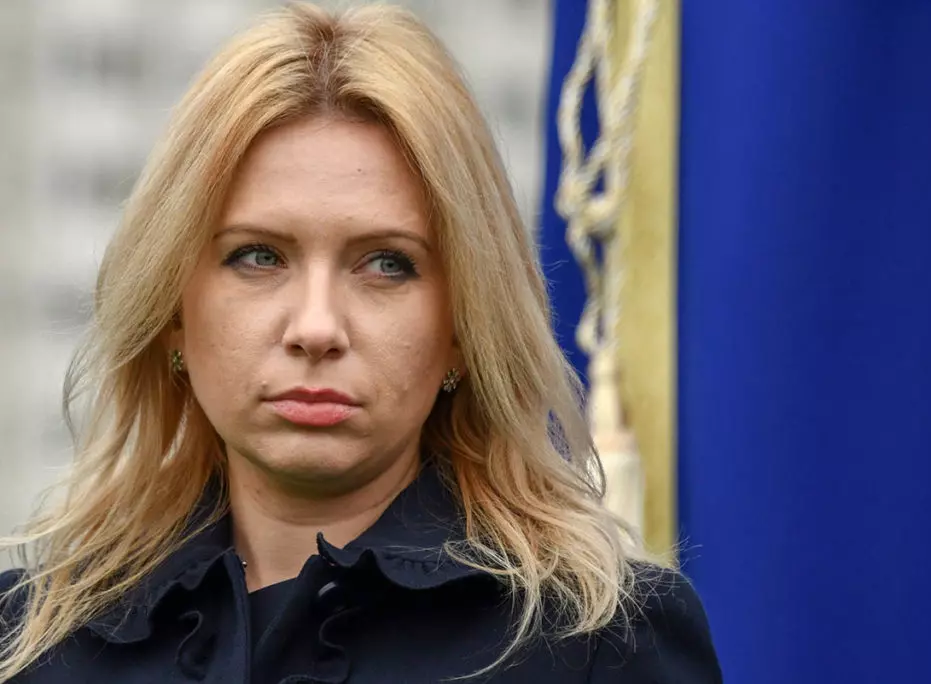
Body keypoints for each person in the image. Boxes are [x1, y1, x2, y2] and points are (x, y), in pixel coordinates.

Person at [0, 3, 722, 683]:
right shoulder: (30, 642)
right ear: (172, 314)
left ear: (465, 326)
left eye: (387, 264)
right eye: (258, 256)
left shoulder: (599, 642)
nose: (316, 328)